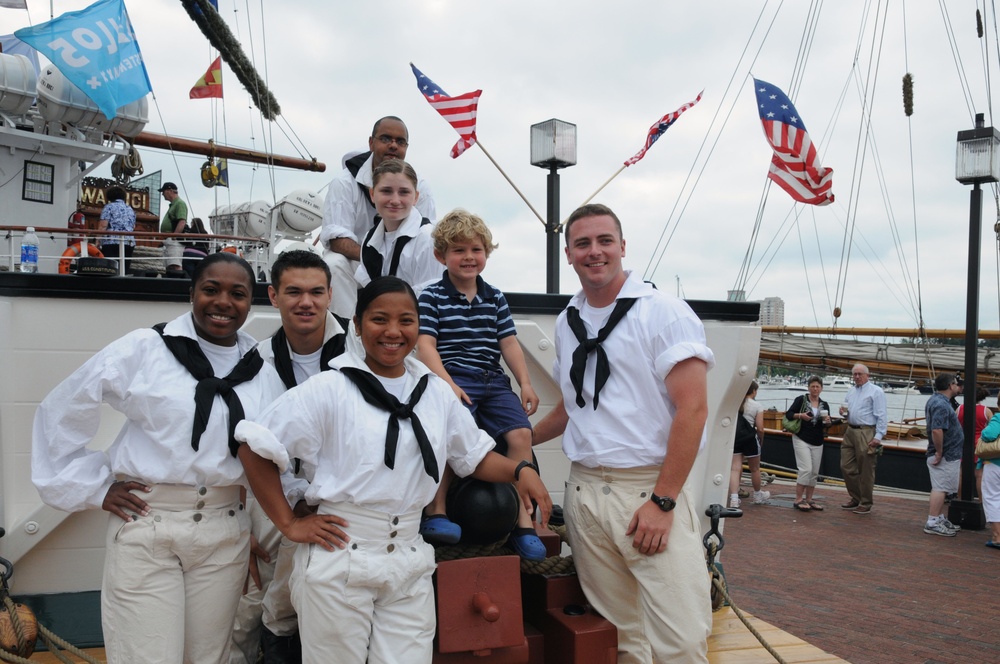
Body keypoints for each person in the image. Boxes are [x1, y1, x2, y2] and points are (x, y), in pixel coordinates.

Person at [234, 276, 552, 664]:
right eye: (379, 319)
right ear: (357, 324)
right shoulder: (329, 389)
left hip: (408, 554)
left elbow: (473, 456)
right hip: (342, 552)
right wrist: (288, 523)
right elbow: (255, 448)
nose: (393, 332)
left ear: (419, 327)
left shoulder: (435, 392)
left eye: (406, 320)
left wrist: (520, 470)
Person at [32, 252, 286, 664]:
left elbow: (269, 455)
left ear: (249, 302)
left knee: (208, 657)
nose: (223, 302)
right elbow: (62, 409)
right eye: (211, 289)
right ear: (191, 294)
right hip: (150, 525)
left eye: (237, 293)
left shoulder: (262, 369)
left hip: (224, 534)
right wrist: (95, 487)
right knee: (145, 656)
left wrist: (252, 524)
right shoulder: (146, 348)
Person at [532, 203, 714, 663]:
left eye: (604, 241)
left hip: (646, 493)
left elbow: (692, 410)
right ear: (568, 254)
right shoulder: (568, 321)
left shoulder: (664, 313)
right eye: (582, 244)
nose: (595, 252)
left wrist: (664, 501)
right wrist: (514, 440)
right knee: (620, 632)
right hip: (586, 490)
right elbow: (576, 407)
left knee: (681, 637)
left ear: (622, 246)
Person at [230, 250, 350, 663]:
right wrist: (238, 523)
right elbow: (232, 447)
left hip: (337, 499)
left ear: (331, 295)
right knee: (251, 608)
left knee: (325, 607)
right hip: (272, 501)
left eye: (316, 292)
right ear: (274, 295)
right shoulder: (253, 364)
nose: (306, 302)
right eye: (294, 291)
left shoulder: (361, 352)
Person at [416, 209, 546, 560]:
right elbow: (425, 344)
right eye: (458, 250)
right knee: (450, 432)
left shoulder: (495, 298)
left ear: (486, 254)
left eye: (476, 249)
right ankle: (437, 509)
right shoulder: (432, 297)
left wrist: (526, 383)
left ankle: (522, 520)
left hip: (492, 379)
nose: (468, 257)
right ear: (441, 256)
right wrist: (446, 384)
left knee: (521, 435)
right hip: (454, 376)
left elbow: (508, 344)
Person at [319, 117, 436, 318]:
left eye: (400, 142)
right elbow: (336, 239)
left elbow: (427, 239)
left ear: (415, 196)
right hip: (360, 261)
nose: (393, 145)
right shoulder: (344, 183)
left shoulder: (421, 187)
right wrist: (378, 257)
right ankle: (350, 328)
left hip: (407, 259)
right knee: (333, 264)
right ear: (371, 143)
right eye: (385, 139)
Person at [354, 160, 440, 293]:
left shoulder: (427, 238)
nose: (395, 201)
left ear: (416, 197)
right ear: (372, 194)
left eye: (404, 192)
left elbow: (431, 298)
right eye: (386, 191)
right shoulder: (369, 240)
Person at [838, 363, 887, 515]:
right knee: (846, 466)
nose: (857, 377)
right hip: (850, 430)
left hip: (866, 432)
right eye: (855, 374)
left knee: (866, 469)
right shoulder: (851, 391)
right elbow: (847, 412)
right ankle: (856, 497)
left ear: (868, 375)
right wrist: (843, 413)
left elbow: (882, 415)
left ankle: (865, 502)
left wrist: (878, 436)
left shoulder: (876, 392)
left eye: (860, 374)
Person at [923, 373, 964, 536]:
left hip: (949, 453)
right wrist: (939, 452)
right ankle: (932, 522)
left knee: (944, 487)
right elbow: (937, 429)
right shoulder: (940, 404)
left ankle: (939, 517)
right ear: (950, 386)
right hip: (945, 454)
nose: (958, 386)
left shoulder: (937, 400)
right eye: (956, 383)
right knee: (940, 488)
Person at [785, 376, 832, 511]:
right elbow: (789, 414)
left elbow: (826, 424)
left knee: (814, 472)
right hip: (801, 438)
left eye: (817, 386)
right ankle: (798, 499)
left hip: (817, 440)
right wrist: (801, 416)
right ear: (808, 387)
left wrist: (828, 422)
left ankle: (809, 499)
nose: (815, 389)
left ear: (821, 388)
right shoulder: (801, 400)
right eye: (813, 386)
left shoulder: (825, 404)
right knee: (806, 469)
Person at [729, 381, 770, 508]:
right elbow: (760, 428)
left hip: (736, 438)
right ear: (753, 391)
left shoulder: (735, 403)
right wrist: (761, 440)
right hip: (750, 439)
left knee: (735, 468)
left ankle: (734, 499)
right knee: (755, 469)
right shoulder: (757, 406)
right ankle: (758, 495)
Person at [956, 386, 992, 501]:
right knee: (979, 475)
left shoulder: (960, 408)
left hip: (963, 443)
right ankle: (982, 501)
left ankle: (960, 498)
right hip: (979, 445)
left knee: (961, 474)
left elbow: (955, 427)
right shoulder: (986, 411)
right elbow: (992, 429)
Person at [974, 409, 1000, 549]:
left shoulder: (998, 418)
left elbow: (989, 434)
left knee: (992, 498)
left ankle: (997, 536)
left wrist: (983, 433)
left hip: (996, 464)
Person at [97, 185, 136, 265]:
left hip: (111, 242)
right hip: (128, 242)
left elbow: (103, 226)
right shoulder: (130, 209)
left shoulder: (109, 207)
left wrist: (97, 241)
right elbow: (133, 226)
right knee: (124, 269)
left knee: (111, 268)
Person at [159, 181, 188, 275]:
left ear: (170, 191)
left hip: (174, 242)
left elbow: (182, 221)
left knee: (175, 265)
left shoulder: (179, 203)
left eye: (163, 191)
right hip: (169, 241)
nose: (162, 194)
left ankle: (178, 283)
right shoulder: (174, 204)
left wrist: (174, 237)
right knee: (169, 265)